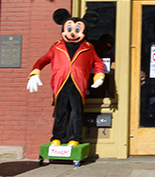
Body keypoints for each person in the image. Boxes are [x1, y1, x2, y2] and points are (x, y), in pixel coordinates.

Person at [27, 9, 105, 146]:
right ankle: (58, 137)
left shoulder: (88, 47)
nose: (72, 33)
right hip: (60, 83)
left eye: (77, 29)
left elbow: (98, 62)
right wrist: (35, 71)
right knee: (60, 111)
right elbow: (44, 59)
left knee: (76, 111)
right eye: (69, 29)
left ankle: (75, 138)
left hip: (78, 83)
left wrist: (99, 76)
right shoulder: (57, 46)